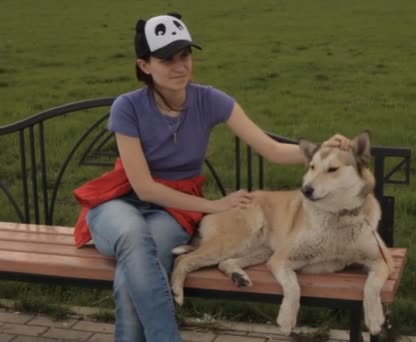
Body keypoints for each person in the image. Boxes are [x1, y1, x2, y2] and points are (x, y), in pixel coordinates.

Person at [71, 12, 350, 342]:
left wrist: (323, 149)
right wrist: (214, 205)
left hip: (171, 211)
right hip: (120, 202)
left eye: (185, 54)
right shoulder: (127, 107)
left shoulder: (210, 100)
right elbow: (145, 189)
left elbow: (272, 150)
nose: (180, 66)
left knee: (133, 271)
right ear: (144, 66)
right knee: (133, 236)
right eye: (167, 59)